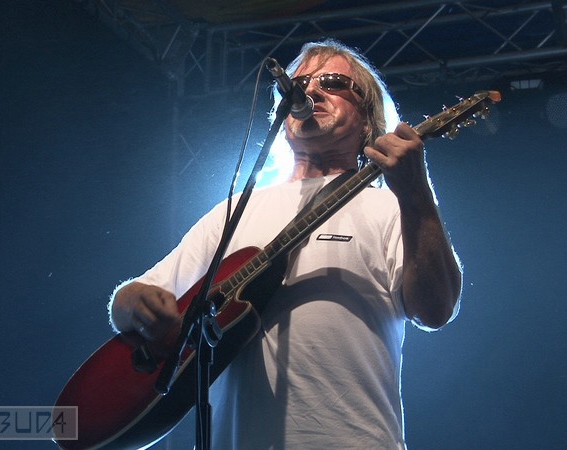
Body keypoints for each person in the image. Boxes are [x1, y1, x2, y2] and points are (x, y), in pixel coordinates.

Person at [108, 39, 462, 449]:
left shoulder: (390, 207)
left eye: (332, 82)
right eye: (299, 84)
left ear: (367, 118)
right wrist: (134, 302)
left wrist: (417, 195)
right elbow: (134, 299)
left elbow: (435, 310)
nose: (311, 91)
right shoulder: (234, 211)